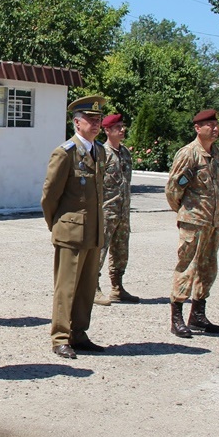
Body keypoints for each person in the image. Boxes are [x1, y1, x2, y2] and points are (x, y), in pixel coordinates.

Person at [41, 95, 106, 359]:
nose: (96, 124)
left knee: (86, 287)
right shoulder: (64, 152)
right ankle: (60, 337)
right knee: (66, 287)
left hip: (92, 230)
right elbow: (49, 196)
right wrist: (57, 225)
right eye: (90, 119)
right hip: (70, 231)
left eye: (98, 119)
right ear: (77, 123)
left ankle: (79, 333)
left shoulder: (98, 151)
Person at [165, 109, 219, 338]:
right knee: (187, 267)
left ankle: (198, 315)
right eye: (209, 124)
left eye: (216, 124)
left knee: (208, 268)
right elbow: (173, 190)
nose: (215, 128)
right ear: (197, 128)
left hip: (212, 221)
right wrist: (184, 212)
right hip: (193, 221)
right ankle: (177, 317)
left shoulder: (218, 154)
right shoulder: (189, 154)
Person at [94, 112, 139, 306]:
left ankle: (117, 287)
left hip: (123, 211)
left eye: (122, 126)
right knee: (99, 251)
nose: (122, 130)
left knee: (121, 251)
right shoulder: (101, 153)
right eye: (118, 127)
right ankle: (92, 287)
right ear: (107, 130)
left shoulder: (125, 153)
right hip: (106, 211)